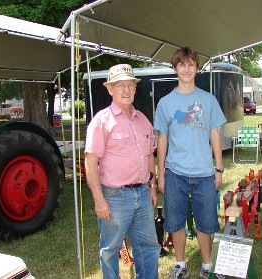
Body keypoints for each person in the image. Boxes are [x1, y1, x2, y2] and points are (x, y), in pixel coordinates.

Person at [154, 47, 226, 279]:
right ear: (175, 68)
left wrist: (218, 168)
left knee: (206, 223)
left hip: (205, 173)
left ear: (197, 68)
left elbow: (215, 135)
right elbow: (162, 139)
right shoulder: (165, 102)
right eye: (181, 64)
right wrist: (161, 173)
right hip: (175, 173)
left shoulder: (208, 100)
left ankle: (207, 265)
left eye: (191, 64)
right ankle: (181, 264)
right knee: (174, 222)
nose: (186, 69)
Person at [84, 64, 161, 279]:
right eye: (120, 86)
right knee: (110, 250)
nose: (126, 90)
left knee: (148, 246)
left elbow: (148, 157)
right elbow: (90, 163)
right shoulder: (101, 121)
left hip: (143, 195)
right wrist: (99, 200)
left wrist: (152, 187)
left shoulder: (143, 120)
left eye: (130, 85)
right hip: (115, 197)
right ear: (110, 89)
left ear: (135, 89)